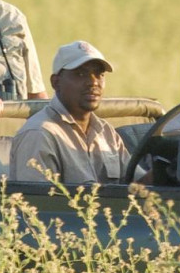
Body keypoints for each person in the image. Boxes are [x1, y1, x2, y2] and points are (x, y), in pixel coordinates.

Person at [8, 41, 130, 186]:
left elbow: (138, 185)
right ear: (56, 82)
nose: (93, 82)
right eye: (80, 74)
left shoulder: (106, 132)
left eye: (99, 75)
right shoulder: (39, 134)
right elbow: (38, 204)